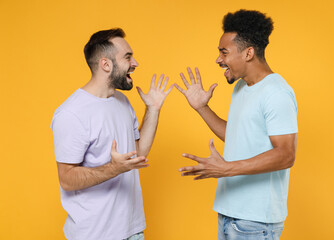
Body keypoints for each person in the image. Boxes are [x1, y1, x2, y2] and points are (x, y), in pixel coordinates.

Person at [175, 10, 298, 240]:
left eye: (224, 52)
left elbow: (286, 155)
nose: (218, 59)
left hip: (256, 221)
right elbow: (237, 136)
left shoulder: (277, 92)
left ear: (248, 53)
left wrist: (225, 169)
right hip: (230, 214)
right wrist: (201, 107)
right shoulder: (242, 88)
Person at [51, 28, 173, 240]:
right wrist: (113, 169)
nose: (135, 63)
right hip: (95, 234)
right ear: (106, 64)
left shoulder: (121, 102)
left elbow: (137, 153)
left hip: (132, 230)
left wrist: (153, 109)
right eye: (128, 57)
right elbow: (67, 179)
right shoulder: (71, 113)